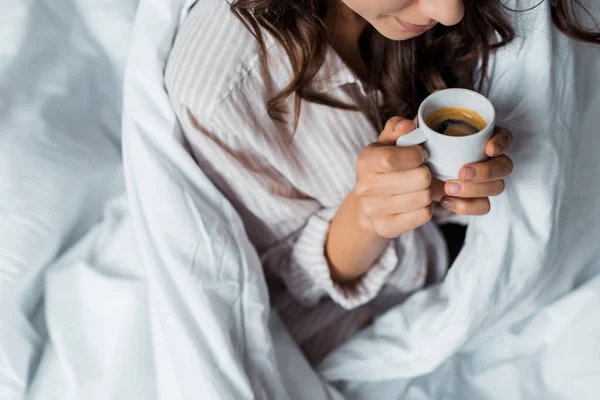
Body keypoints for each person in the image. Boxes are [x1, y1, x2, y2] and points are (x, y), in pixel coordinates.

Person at [164, 0, 599, 364]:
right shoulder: (224, 91)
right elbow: (285, 289)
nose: (449, 13)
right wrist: (367, 215)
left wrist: (477, 168)